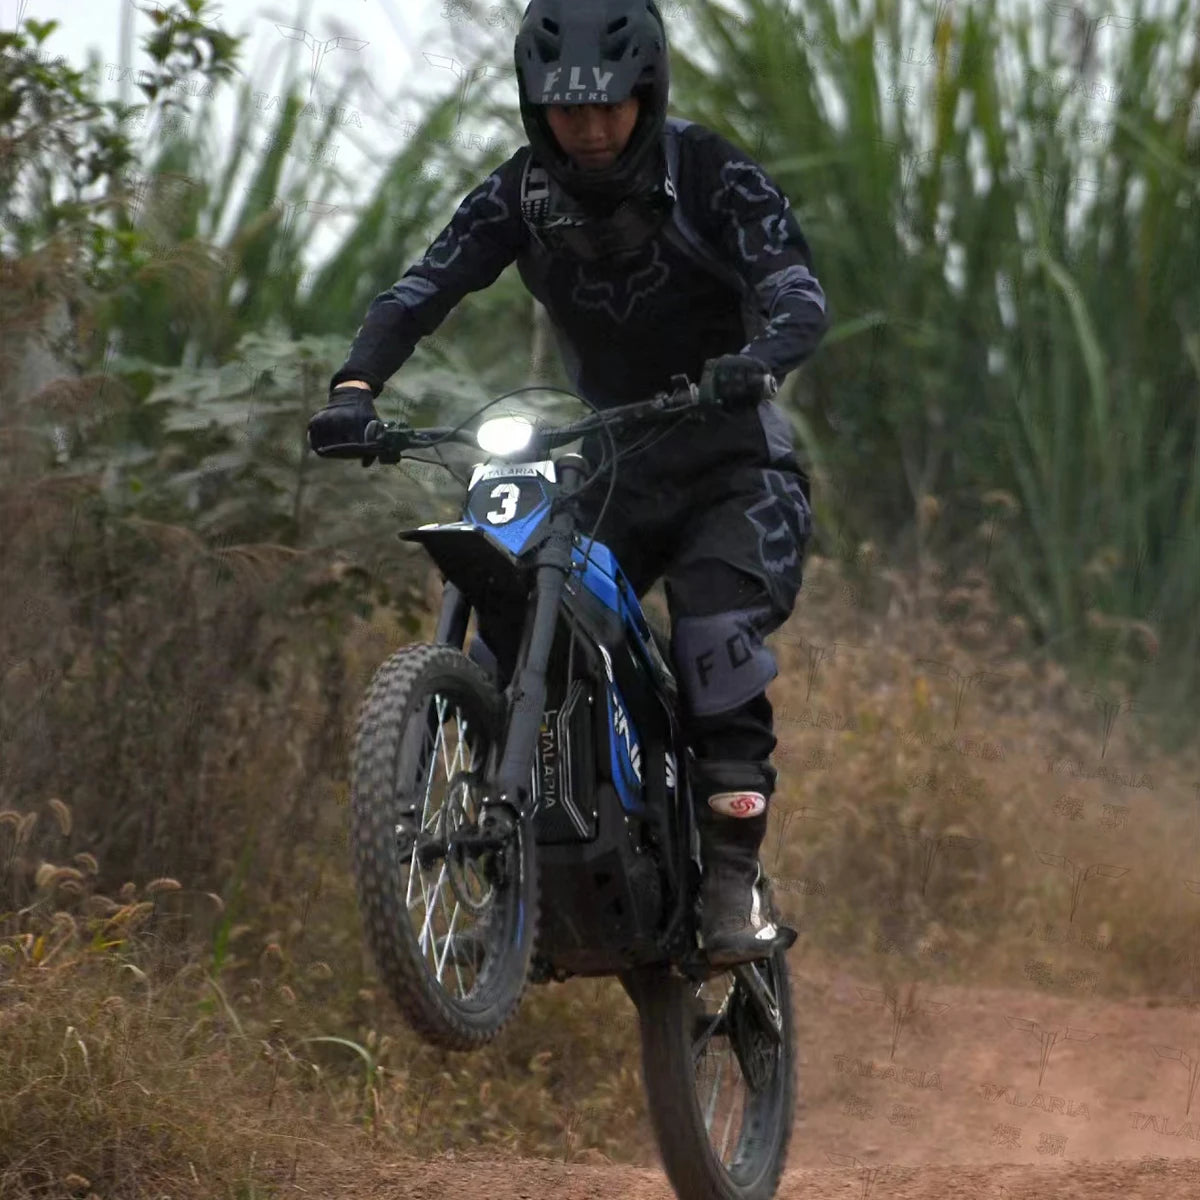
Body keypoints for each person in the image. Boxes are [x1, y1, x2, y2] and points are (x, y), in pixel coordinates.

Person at [307, 0, 829, 966]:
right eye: (565, 109)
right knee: (512, 598)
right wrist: (354, 389)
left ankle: (732, 874)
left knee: (711, 629)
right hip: (608, 461)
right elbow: (421, 290)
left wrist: (759, 359)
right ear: (533, 104)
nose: (588, 129)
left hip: (734, 467)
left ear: (647, 93)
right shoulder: (518, 193)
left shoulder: (711, 173)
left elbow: (798, 289)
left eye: (608, 107)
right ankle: (514, 856)